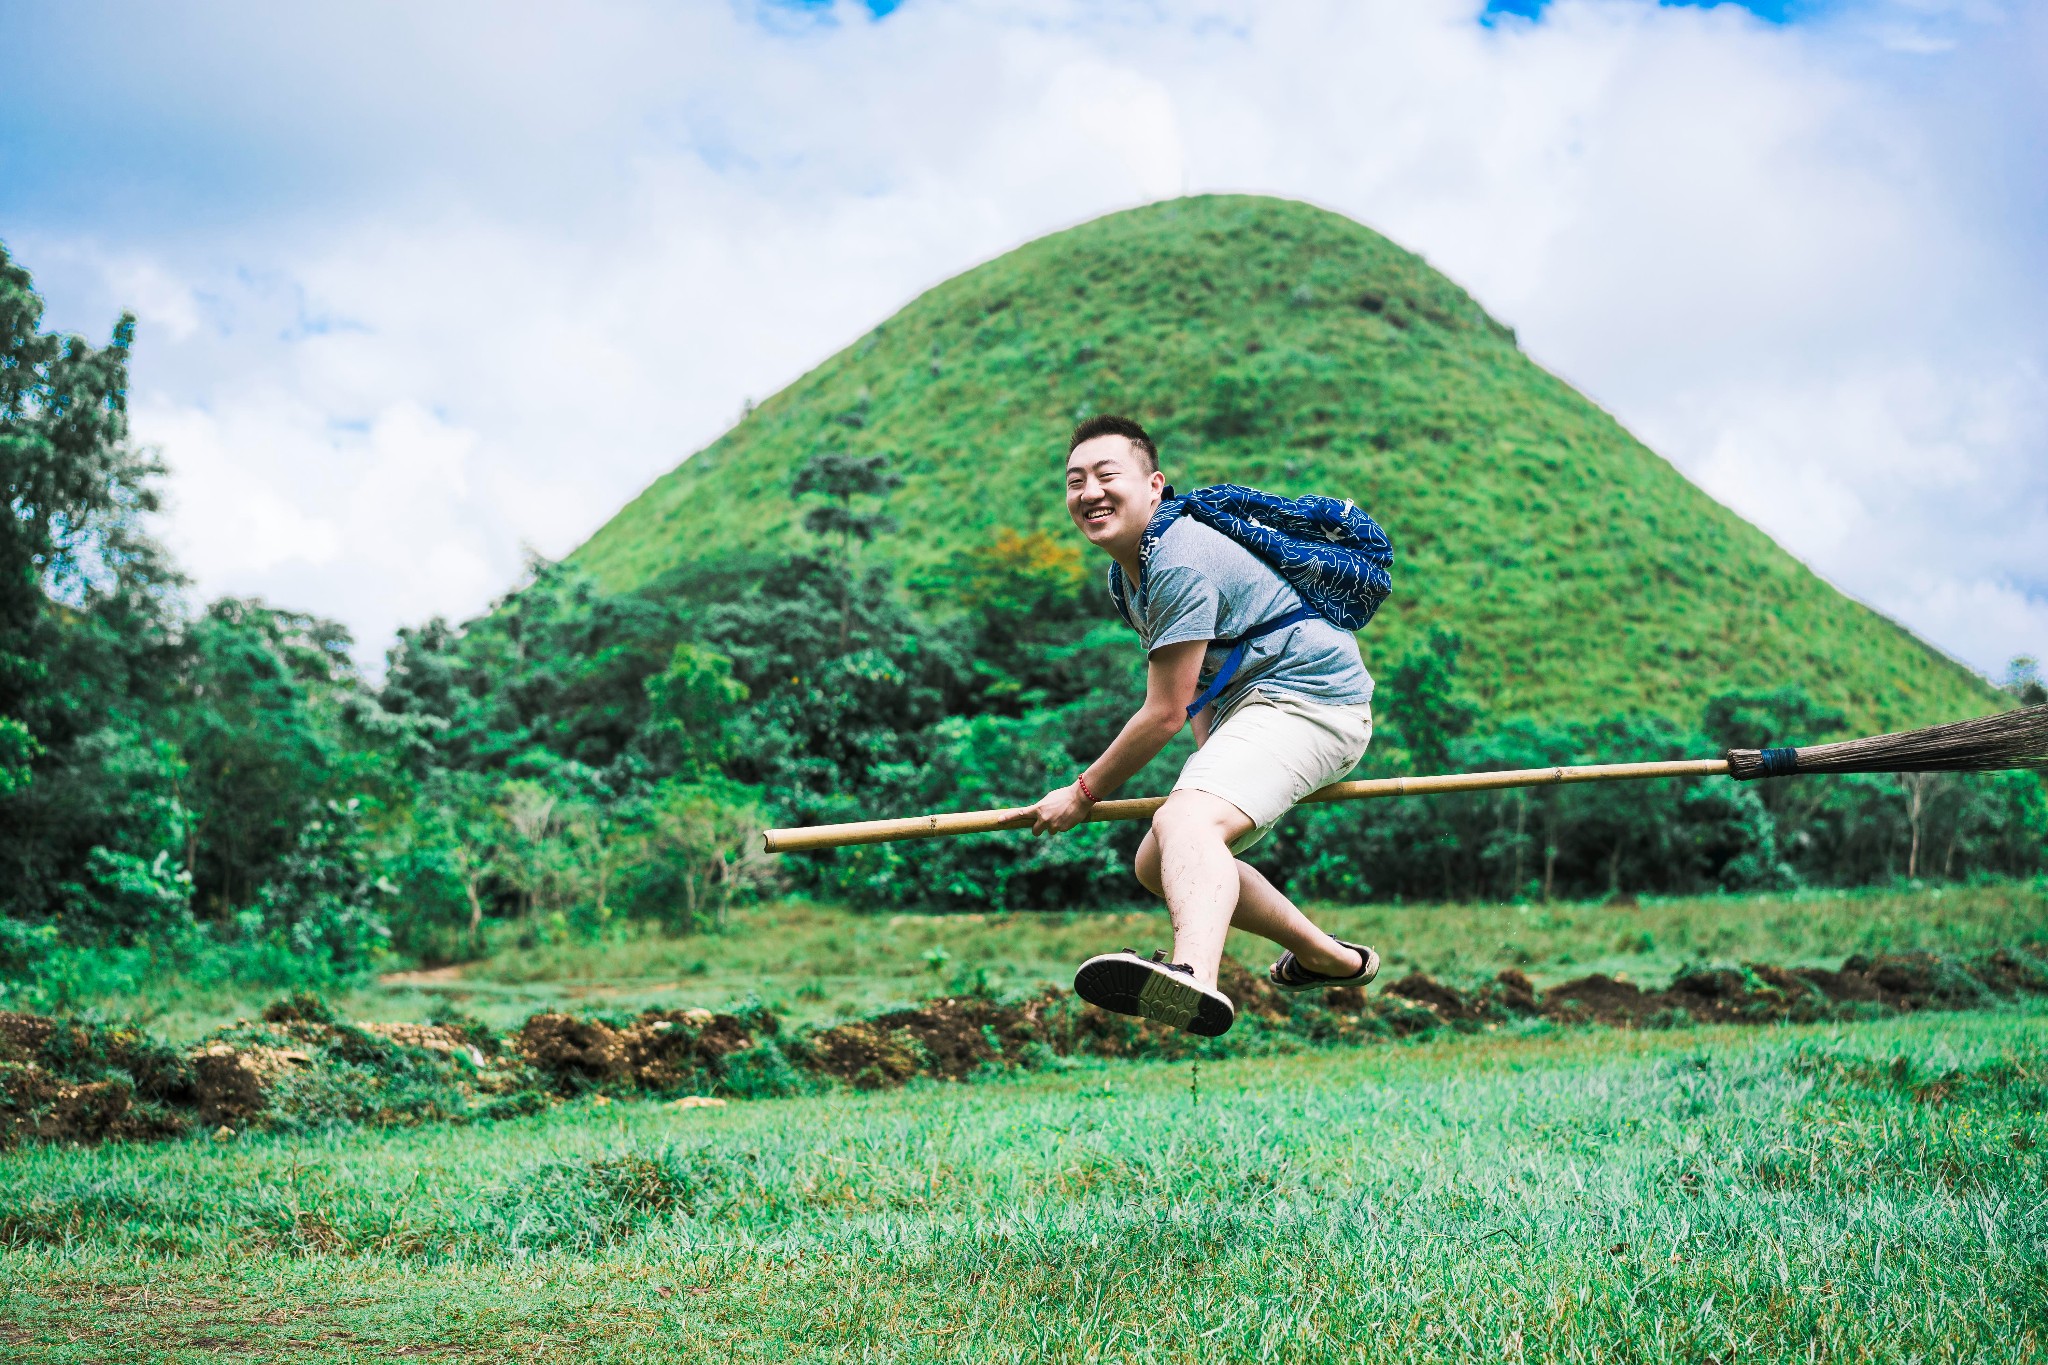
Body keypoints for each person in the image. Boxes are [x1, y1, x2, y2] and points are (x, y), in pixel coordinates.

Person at [1032, 415, 1381, 1037]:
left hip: (1312, 703)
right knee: (1158, 862)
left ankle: (1192, 974)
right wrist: (1209, 766)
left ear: (1155, 485)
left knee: (1184, 823)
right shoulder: (1131, 573)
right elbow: (1196, 688)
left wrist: (1082, 795)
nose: (1089, 492)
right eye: (1075, 480)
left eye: (1107, 475)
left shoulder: (1177, 560)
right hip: (1257, 706)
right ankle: (1330, 958)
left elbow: (1162, 712)